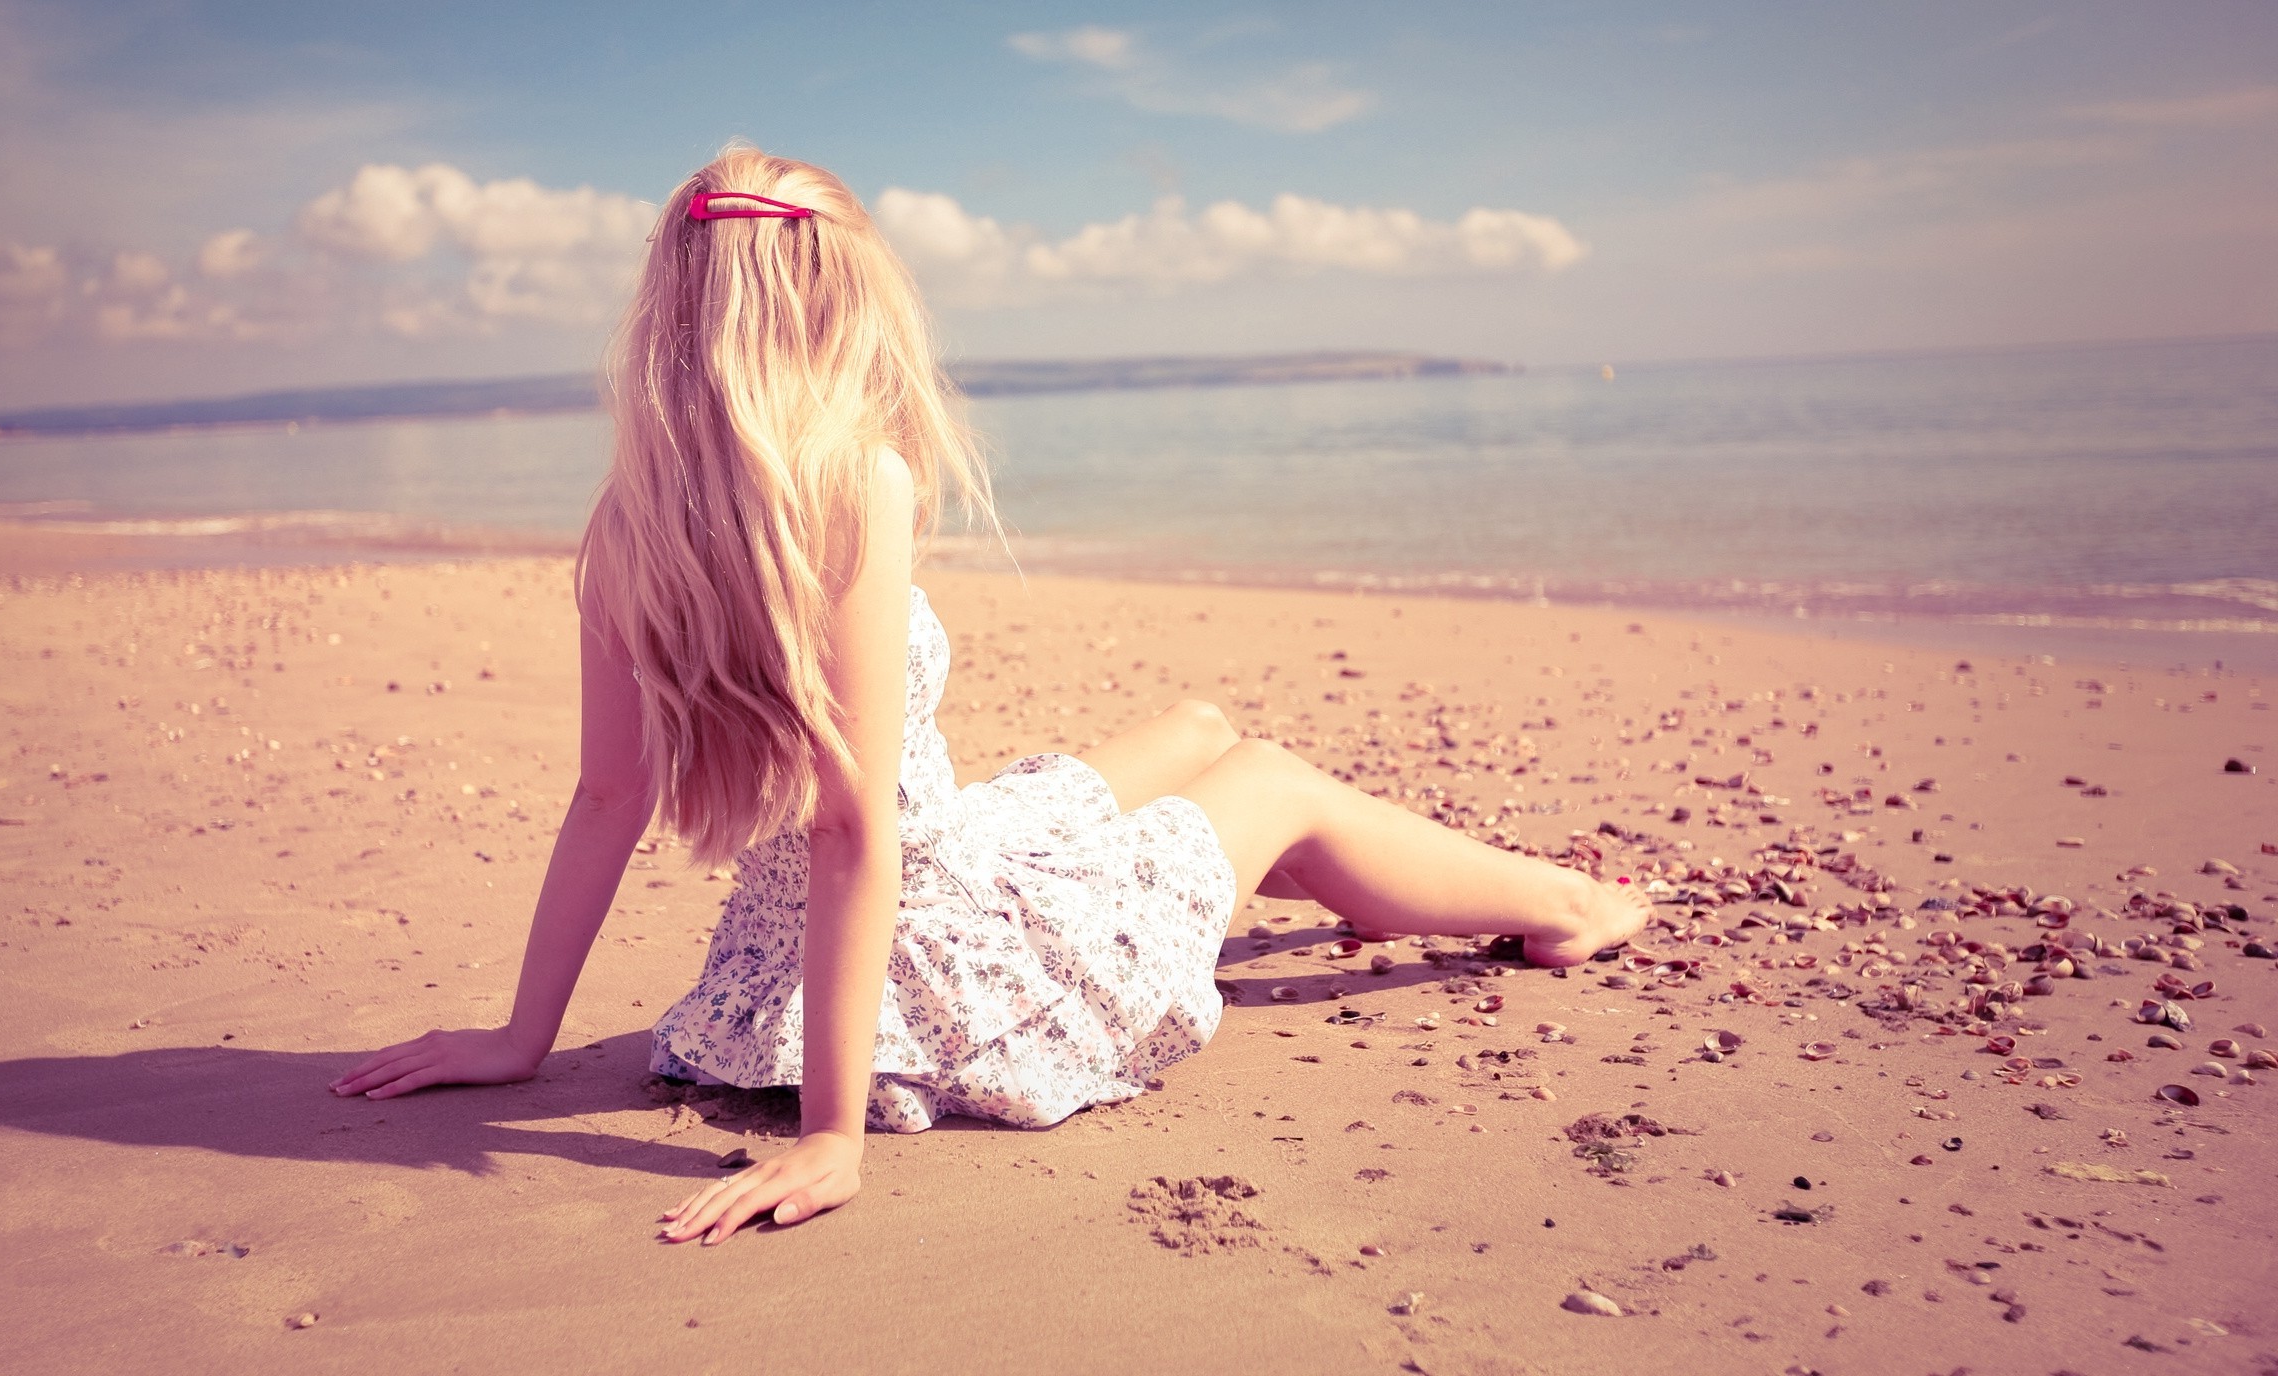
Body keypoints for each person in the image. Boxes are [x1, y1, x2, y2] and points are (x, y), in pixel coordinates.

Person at [329, 146, 1649, 1246]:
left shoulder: (630, 518)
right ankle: (1573, 905)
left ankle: (1339, 884)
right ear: (839, 300)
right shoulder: (857, 483)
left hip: (781, 952)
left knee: (1196, 730)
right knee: (1277, 780)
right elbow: (856, 831)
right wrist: (835, 1134)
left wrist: (522, 1038)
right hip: (928, 940)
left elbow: (608, 795)